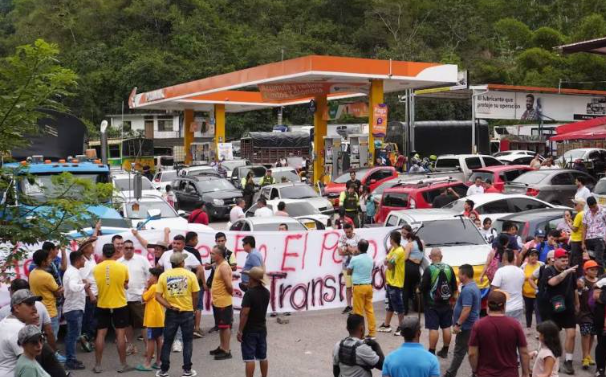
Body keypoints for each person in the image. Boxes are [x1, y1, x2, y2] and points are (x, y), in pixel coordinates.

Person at [155, 252, 200, 377]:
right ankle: (187, 370)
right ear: (182, 263)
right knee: (187, 341)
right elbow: (196, 294)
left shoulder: (164, 276)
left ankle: (164, 370)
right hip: (187, 311)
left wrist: (169, 306)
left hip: (171, 313)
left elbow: (157, 296)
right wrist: (194, 308)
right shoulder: (190, 275)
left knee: (167, 341)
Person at [468, 290, 530, 377]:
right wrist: (525, 373)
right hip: (510, 374)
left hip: (485, 373)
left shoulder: (479, 325)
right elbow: (524, 352)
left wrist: (475, 370)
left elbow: (472, 353)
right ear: (504, 306)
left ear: (487, 304)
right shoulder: (515, 325)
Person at [537, 248, 578, 375]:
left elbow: (574, 288)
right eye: (562, 260)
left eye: (566, 260)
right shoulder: (548, 270)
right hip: (552, 308)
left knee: (572, 334)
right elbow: (552, 282)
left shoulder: (571, 271)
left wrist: (577, 303)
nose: (565, 262)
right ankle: (554, 361)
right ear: (555, 259)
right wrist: (566, 272)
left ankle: (569, 361)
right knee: (554, 335)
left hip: (568, 307)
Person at [92, 243, 132, 374]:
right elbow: (125, 284)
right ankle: (123, 364)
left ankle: (98, 365)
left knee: (101, 334)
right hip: (119, 304)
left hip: (102, 303)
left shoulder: (96, 268)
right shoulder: (122, 267)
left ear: (103, 254)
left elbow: (97, 284)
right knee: (120, 334)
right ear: (115, 252)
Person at [444, 264, 481, 377]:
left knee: (459, 351)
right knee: (470, 351)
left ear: (464, 275)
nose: (458, 276)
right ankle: (477, 372)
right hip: (471, 325)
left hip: (466, 326)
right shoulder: (472, 287)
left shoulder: (468, 290)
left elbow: (466, 309)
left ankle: (450, 374)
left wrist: (458, 324)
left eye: (459, 274)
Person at [419, 248, 457, 358]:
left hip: (432, 304)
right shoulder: (449, 268)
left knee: (433, 328)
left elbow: (423, 287)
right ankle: (445, 350)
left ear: (430, 257)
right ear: (441, 256)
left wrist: (418, 289)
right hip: (446, 303)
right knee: (446, 327)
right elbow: (454, 287)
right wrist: (453, 301)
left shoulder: (429, 269)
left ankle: (431, 352)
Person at [118, 239, 152, 356]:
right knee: (127, 324)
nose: (128, 250)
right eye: (126, 248)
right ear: (122, 249)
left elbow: (150, 275)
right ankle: (131, 346)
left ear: (134, 249)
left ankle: (148, 348)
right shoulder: (118, 262)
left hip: (139, 297)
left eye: (130, 248)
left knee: (144, 324)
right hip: (123, 298)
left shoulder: (142, 260)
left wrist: (146, 290)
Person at [237, 267, 270, 377]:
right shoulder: (266, 292)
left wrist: (240, 330)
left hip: (250, 329)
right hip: (262, 328)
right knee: (263, 356)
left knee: (249, 358)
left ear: (252, 279)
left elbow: (245, 313)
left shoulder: (249, 294)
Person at [28, 249, 63, 348]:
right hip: (50, 310)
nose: (50, 260)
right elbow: (57, 293)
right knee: (52, 337)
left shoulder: (33, 273)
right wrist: (62, 289)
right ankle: (52, 356)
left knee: (41, 338)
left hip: (38, 309)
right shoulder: (47, 276)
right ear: (43, 262)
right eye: (48, 259)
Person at [62, 250, 88, 370]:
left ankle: (71, 358)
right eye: (83, 259)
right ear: (78, 260)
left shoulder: (73, 271)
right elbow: (73, 287)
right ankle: (70, 360)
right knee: (72, 336)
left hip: (74, 307)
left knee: (73, 335)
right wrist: (84, 286)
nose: (85, 261)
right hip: (73, 308)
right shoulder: (72, 273)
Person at [378, 231, 406, 335]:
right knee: (389, 305)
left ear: (392, 240)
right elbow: (386, 261)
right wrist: (389, 262)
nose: (389, 240)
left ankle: (402, 327)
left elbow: (389, 265)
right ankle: (386, 325)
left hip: (396, 283)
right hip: (390, 282)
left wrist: (389, 262)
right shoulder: (393, 249)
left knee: (399, 306)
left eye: (390, 238)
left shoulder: (398, 251)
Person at [136, 267, 164, 372]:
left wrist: (145, 288)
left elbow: (144, 298)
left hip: (153, 318)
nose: (149, 278)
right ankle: (159, 362)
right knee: (158, 339)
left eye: (151, 276)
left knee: (151, 340)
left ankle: (147, 363)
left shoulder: (153, 287)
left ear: (155, 277)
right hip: (159, 318)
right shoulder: (161, 286)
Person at [347, 239, 376, 339]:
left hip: (359, 287)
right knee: (369, 310)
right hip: (368, 286)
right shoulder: (370, 258)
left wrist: (354, 256)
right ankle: (372, 333)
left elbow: (348, 272)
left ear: (358, 248)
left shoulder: (355, 259)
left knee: (358, 312)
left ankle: (360, 334)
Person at [210, 245, 234, 361]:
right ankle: (222, 346)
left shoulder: (224, 266)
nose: (211, 255)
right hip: (218, 302)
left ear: (219, 255)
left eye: (213, 253)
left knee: (225, 327)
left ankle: (227, 350)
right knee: (221, 326)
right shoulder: (218, 265)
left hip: (224, 302)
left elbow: (229, 285)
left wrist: (228, 295)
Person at [491, 249, 526, 324]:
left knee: (504, 331)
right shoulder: (521, 271)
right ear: (514, 259)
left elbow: (494, 290)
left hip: (504, 308)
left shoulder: (500, 271)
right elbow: (522, 287)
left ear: (504, 259)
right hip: (518, 306)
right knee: (515, 330)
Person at [577, 260, 599, 370]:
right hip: (584, 312)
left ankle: (588, 355)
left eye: (596, 270)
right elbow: (576, 291)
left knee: (592, 334)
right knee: (585, 334)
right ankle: (584, 357)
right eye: (592, 269)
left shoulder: (599, 281)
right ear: (586, 271)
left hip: (596, 312)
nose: (594, 272)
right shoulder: (582, 280)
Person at [401, 224, 424, 315]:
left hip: (409, 267)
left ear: (409, 238)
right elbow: (421, 255)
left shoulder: (409, 244)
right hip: (417, 268)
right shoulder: (421, 243)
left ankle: (405, 310)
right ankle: (419, 307)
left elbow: (405, 258)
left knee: (405, 288)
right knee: (417, 288)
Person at [339, 223, 360, 314]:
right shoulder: (342, 238)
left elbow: (358, 252)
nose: (348, 234)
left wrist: (347, 249)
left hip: (356, 266)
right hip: (346, 266)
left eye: (349, 232)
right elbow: (340, 252)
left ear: (353, 229)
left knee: (356, 287)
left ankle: (356, 306)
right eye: (346, 232)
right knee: (348, 287)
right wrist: (351, 250)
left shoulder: (358, 238)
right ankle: (349, 305)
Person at [521, 249, 543, 330]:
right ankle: (528, 327)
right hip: (527, 293)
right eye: (532, 255)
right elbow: (520, 279)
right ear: (528, 256)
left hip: (538, 294)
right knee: (528, 311)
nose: (534, 257)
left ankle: (539, 330)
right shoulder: (523, 266)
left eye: (536, 255)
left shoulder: (541, 264)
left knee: (539, 313)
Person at [582, 195, 606, 268]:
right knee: (590, 262)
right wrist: (582, 243)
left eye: (594, 207)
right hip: (589, 239)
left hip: (599, 238)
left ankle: (601, 278)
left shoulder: (603, 211)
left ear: (596, 203)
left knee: (599, 260)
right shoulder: (586, 213)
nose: (593, 209)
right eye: (591, 207)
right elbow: (584, 229)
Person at [569, 198, 585, 273]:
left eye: (575, 204)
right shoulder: (584, 213)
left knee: (575, 261)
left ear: (581, 205)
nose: (574, 206)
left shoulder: (579, 215)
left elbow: (574, 229)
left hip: (576, 240)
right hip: (580, 240)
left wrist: (568, 223)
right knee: (578, 260)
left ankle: (576, 276)